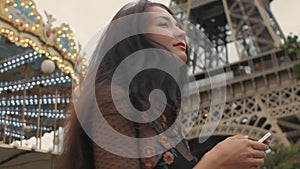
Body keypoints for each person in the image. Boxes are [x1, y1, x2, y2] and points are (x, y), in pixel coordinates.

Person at [55, 1, 269, 169]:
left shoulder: (163, 116)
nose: (182, 32)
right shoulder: (113, 97)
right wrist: (214, 162)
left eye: (177, 24)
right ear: (133, 37)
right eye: (164, 24)